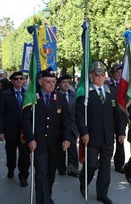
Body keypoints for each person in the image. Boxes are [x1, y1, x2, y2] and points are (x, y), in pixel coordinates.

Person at [76, 61, 125, 204]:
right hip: (91, 137)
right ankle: (83, 180)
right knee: (91, 164)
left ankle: (102, 194)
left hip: (108, 137)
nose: (100, 77)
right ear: (91, 75)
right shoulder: (84, 93)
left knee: (105, 168)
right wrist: (83, 132)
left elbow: (118, 115)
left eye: (102, 74)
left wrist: (121, 131)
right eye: (97, 74)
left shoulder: (111, 92)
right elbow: (79, 115)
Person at [21, 68, 71, 204]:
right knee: (41, 173)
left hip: (55, 143)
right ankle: (43, 200)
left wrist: (67, 138)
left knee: (50, 174)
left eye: (53, 82)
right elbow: (25, 121)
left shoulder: (59, 97)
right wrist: (30, 139)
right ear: (40, 82)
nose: (51, 84)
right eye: (48, 82)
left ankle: (46, 196)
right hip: (38, 142)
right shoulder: (32, 97)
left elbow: (66, 120)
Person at [0, 71, 30, 187]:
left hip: (24, 131)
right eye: (16, 79)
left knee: (24, 155)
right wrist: (1, 131)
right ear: (12, 81)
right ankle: (11, 168)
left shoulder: (28, 95)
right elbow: (1, 113)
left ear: (24, 81)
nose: (19, 81)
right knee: (11, 153)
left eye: (21, 79)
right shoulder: (5, 94)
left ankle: (23, 176)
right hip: (10, 129)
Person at [56, 74, 80, 177]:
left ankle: (73, 168)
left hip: (72, 126)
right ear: (59, 84)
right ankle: (61, 168)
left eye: (67, 82)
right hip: (59, 127)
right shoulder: (55, 95)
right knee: (60, 149)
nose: (66, 84)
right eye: (63, 82)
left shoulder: (73, 95)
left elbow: (78, 111)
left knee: (73, 148)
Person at [106, 63, 127, 174]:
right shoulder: (107, 84)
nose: (119, 74)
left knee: (121, 139)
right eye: (117, 72)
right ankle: (105, 161)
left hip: (121, 116)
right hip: (109, 116)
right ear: (112, 73)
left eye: (120, 72)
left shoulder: (125, 85)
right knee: (108, 141)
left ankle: (120, 164)